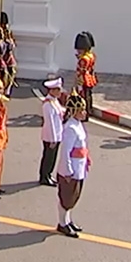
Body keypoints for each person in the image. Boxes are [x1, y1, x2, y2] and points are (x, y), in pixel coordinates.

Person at [56, 92, 90, 237]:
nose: (84, 112)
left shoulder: (78, 125)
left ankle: (68, 220)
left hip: (79, 165)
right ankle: (62, 223)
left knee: (73, 196)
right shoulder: (70, 128)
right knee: (67, 197)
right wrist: (67, 171)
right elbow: (65, 151)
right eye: (81, 110)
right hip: (72, 168)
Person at [38, 77, 65, 186]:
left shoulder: (54, 101)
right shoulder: (48, 104)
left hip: (57, 135)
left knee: (53, 157)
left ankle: (48, 175)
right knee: (48, 157)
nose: (60, 92)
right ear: (51, 90)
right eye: (58, 89)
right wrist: (53, 139)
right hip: (50, 136)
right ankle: (44, 176)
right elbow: (50, 123)